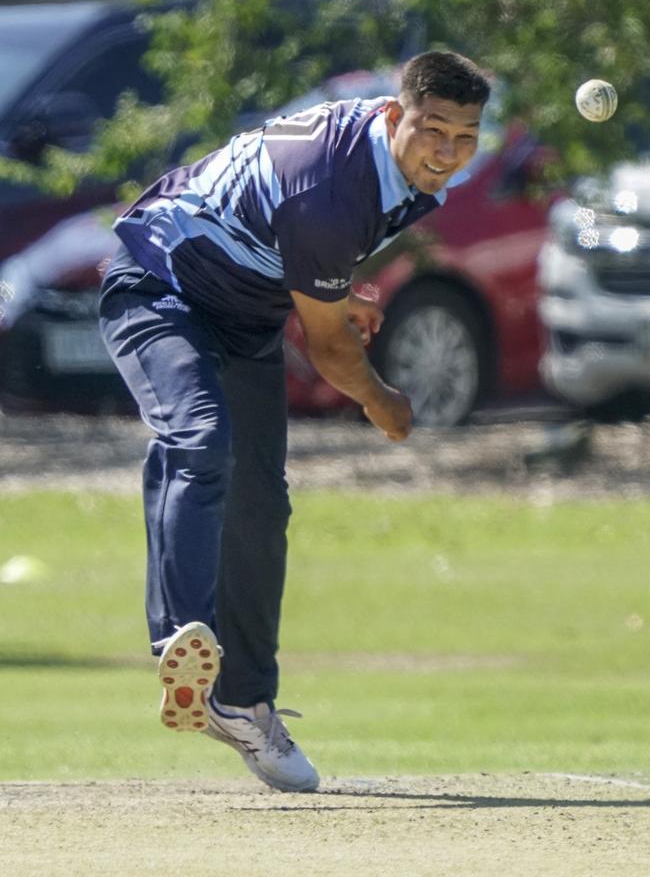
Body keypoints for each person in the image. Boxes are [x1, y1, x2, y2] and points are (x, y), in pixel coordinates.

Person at [99, 49, 490, 792]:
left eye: (464, 137)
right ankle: (184, 643)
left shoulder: (403, 168)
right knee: (199, 439)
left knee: (261, 500)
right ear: (392, 115)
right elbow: (333, 350)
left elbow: (306, 257)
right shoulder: (333, 190)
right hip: (161, 286)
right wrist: (383, 399)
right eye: (433, 131)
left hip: (247, 316)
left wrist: (337, 292)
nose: (447, 152)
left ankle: (243, 702)